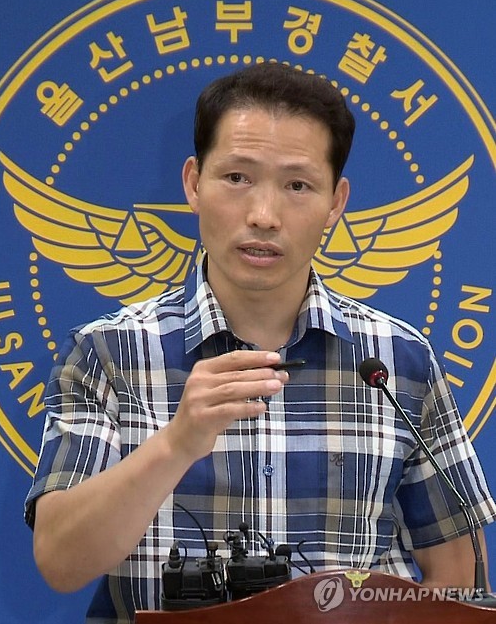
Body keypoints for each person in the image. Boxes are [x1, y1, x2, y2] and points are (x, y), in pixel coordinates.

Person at [25, 61, 495, 622]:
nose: (264, 216)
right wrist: (176, 444)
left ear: (336, 202)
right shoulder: (106, 354)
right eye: (237, 178)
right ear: (193, 184)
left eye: (298, 186)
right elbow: (60, 562)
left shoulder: (398, 361)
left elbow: (458, 577)